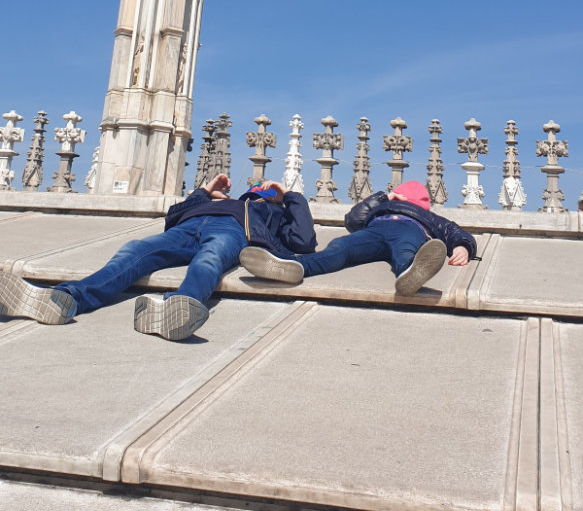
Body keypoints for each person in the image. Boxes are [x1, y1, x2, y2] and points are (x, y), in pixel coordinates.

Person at [0, 174, 317, 341]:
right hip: (189, 226)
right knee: (135, 249)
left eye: (265, 188)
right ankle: (66, 299)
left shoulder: (271, 212)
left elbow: (303, 240)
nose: (260, 189)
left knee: (210, 258)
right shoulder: (215, 200)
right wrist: (205, 192)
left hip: (232, 230)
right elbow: (172, 217)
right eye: (257, 187)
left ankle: (180, 306)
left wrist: (289, 196)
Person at [239, 180, 477, 296]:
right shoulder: (381, 208)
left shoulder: (426, 216)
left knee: (401, 251)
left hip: (408, 229)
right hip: (376, 230)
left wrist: (463, 247)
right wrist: (382, 198)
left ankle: (410, 273)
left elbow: (453, 231)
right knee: (340, 248)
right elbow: (353, 220)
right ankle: (292, 266)